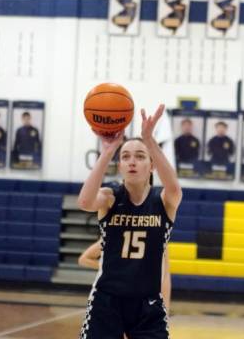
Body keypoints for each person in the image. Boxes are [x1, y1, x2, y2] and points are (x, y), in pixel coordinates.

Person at [77, 105, 182, 339]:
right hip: (107, 300)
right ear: (121, 166)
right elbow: (84, 202)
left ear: (152, 165)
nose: (132, 161)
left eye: (140, 156)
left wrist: (149, 140)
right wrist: (109, 150)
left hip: (148, 303)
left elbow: (175, 188)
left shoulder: (163, 200)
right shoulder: (110, 196)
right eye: (125, 157)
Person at [79, 240, 172, 310]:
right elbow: (83, 259)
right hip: (114, 295)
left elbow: (164, 275)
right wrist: (111, 267)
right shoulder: (113, 233)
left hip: (143, 297)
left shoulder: (157, 236)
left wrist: (165, 306)